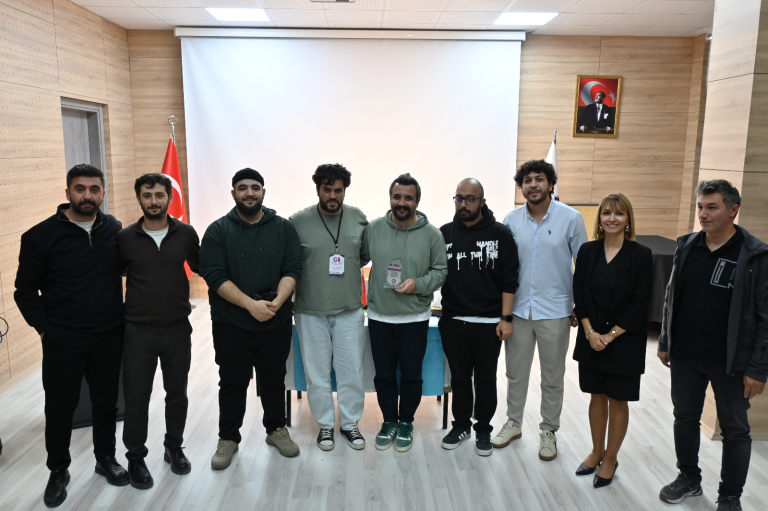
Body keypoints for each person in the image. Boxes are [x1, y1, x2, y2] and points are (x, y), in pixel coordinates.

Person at [14, 164, 128, 507]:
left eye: (94, 189)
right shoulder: (39, 236)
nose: (87, 195)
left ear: (103, 193)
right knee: (60, 407)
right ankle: (58, 470)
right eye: (80, 189)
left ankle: (105, 458)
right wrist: (45, 329)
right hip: (63, 339)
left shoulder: (114, 229)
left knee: (106, 403)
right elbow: (24, 291)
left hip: (108, 335)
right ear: (68, 193)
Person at [658, 180, 767, 511]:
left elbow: (765, 317)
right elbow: (671, 296)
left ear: (733, 210)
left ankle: (730, 496)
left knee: (735, 430)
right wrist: (665, 339)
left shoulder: (755, 255)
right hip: (686, 355)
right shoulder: (687, 246)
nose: (703, 214)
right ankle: (688, 478)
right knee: (684, 417)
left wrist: (758, 368)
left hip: (732, 362)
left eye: (711, 207)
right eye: (700, 207)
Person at [200, 168, 302, 466]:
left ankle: (276, 430)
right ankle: (228, 438)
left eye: (255, 187)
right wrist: (250, 305)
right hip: (231, 323)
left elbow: (292, 269)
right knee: (232, 381)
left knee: (274, 378)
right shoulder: (218, 231)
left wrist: (276, 303)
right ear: (233, 193)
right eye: (243, 188)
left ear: (263, 192)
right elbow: (214, 276)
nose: (249, 193)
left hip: (275, 319)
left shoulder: (283, 228)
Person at [494, 159, 588, 460]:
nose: (533, 185)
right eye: (527, 180)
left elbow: (583, 266)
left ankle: (549, 430)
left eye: (539, 179)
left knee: (552, 376)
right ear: (521, 187)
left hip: (556, 310)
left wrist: (581, 306)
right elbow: (505, 269)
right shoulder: (511, 221)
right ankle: (513, 423)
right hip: (519, 310)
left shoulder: (571, 219)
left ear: (550, 184)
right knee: (515, 373)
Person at [118, 173, 200, 489]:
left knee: (177, 394)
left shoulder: (186, 233)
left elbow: (204, 266)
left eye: (159, 195)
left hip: (177, 328)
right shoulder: (125, 238)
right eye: (147, 195)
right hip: (138, 331)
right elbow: (112, 275)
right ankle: (135, 457)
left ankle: (173, 447)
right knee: (136, 398)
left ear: (170, 198)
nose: (154, 201)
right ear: (139, 198)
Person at [572, 193, 652, 488]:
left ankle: (611, 457)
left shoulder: (640, 255)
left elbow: (640, 304)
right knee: (596, 395)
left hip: (624, 341)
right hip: (591, 337)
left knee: (618, 399)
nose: (612, 218)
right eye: (606, 213)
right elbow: (579, 295)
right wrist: (590, 332)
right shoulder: (587, 251)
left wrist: (610, 336)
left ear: (628, 219)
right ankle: (596, 451)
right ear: (600, 218)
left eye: (619, 213)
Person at [365, 173, 447, 453]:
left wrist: (417, 285)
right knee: (384, 376)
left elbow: (441, 271)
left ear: (417, 201)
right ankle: (389, 421)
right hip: (379, 317)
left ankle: (406, 422)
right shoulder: (374, 229)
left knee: (411, 376)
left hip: (414, 318)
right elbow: (357, 258)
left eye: (408, 198)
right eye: (397, 197)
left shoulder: (433, 234)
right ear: (390, 198)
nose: (402, 202)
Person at [290, 163, 369, 451]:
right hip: (310, 311)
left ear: (345, 190)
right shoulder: (298, 222)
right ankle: (325, 425)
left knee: (351, 372)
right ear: (317, 190)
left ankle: (349, 423)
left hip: (349, 309)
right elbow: (290, 263)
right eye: (327, 190)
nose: (332, 196)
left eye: (338, 190)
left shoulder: (358, 218)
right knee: (317, 374)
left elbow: (363, 256)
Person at [438, 178, 519, 456]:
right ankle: (461, 425)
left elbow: (510, 279)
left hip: (488, 323)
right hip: (453, 320)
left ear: (482, 202)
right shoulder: (444, 233)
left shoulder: (500, 234)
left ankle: (483, 428)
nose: (464, 204)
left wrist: (506, 318)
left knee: (485, 379)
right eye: (459, 198)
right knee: (459, 378)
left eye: (470, 199)